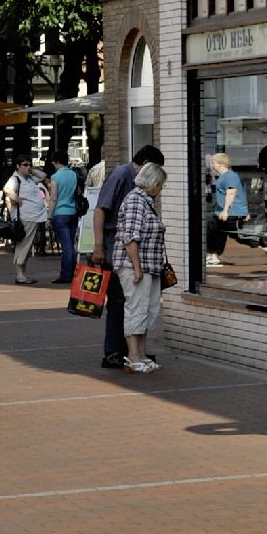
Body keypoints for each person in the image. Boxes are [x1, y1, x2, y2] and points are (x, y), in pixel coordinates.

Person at [94, 143, 163, 369]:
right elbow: (101, 210)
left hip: (131, 251)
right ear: (147, 165)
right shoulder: (122, 176)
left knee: (135, 304)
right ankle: (117, 351)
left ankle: (133, 351)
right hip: (119, 246)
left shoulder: (144, 196)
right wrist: (98, 246)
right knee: (120, 300)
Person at [112, 162, 167, 375]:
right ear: (153, 183)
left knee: (148, 309)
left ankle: (142, 354)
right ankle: (133, 356)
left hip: (149, 265)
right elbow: (130, 237)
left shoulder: (145, 201)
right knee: (136, 308)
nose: (161, 189)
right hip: (135, 265)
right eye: (160, 184)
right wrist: (136, 268)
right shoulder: (136, 200)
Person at [3, 155, 49, 286]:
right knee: (24, 245)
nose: (28, 167)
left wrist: (31, 170)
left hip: (34, 216)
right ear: (18, 166)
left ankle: (22, 274)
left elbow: (43, 176)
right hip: (26, 216)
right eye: (25, 164)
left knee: (27, 246)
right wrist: (18, 199)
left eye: (29, 164)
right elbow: (7, 190)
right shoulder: (15, 178)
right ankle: (20, 275)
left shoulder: (29, 178)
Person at [46, 152, 82, 285]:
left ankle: (66, 275)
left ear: (56, 161)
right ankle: (73, 272)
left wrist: (49, 217)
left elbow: (53, 198)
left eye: (53, 161)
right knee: (71, 244)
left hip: (60, 213)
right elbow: (78, 192)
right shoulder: (74, 174)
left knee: (66, 246)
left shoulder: (55, 176)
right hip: (73, 212)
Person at [207, 149, 248, 264]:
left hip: (232, 212)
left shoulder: (230, 176)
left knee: (238, 235)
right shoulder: (222, 176)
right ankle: (213, 255)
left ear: (220, 164)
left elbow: (231, 193)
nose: (212, 165)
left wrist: (225, 211)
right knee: (214, 230)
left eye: (213, 163)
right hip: (221, 211)